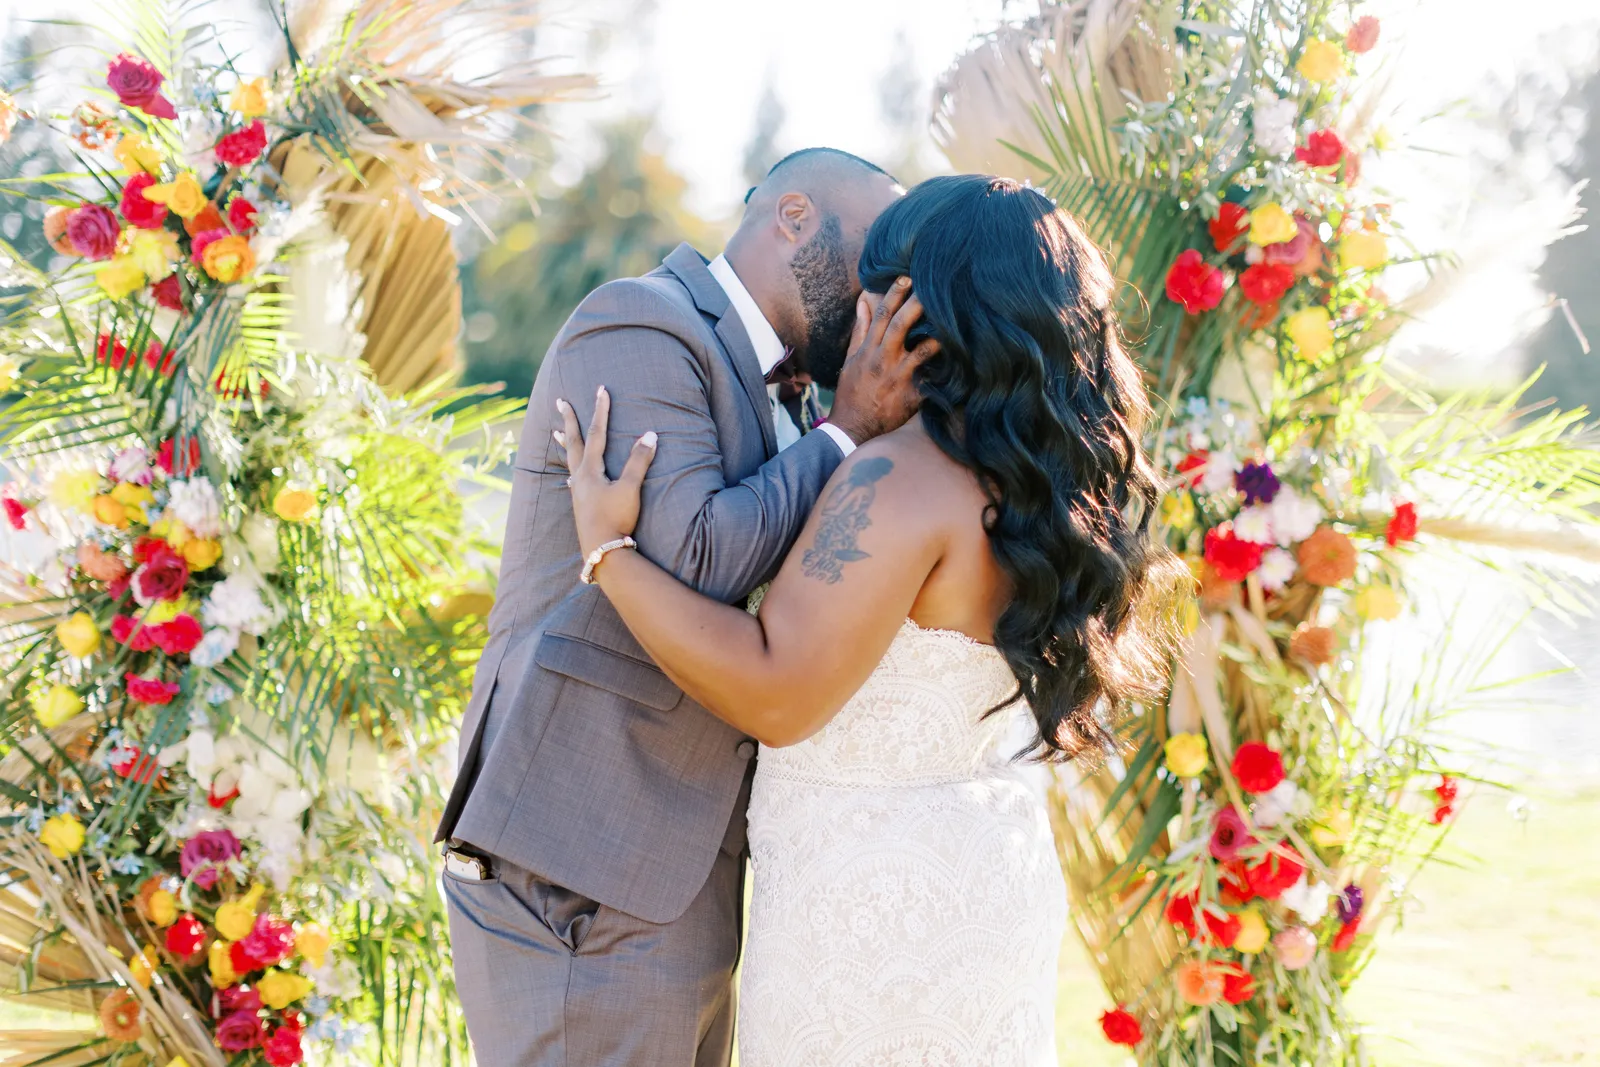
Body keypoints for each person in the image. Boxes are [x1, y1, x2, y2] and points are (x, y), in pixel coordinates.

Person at [554, 173, 1188, 1065]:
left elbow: (777, 691)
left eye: (873, 291)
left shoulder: (896, 480)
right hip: (986, 876)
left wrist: (609, 558)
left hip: (869, 910)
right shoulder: (1052, 488)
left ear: (916, 311)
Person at [434, 148, 924, 1067]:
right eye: (872, 268)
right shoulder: (640, 324)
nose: (878, 305)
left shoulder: (795, 392)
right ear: (793, 215)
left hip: (682, 873)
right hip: (581, 866)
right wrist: (848, 430)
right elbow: (695, 559)